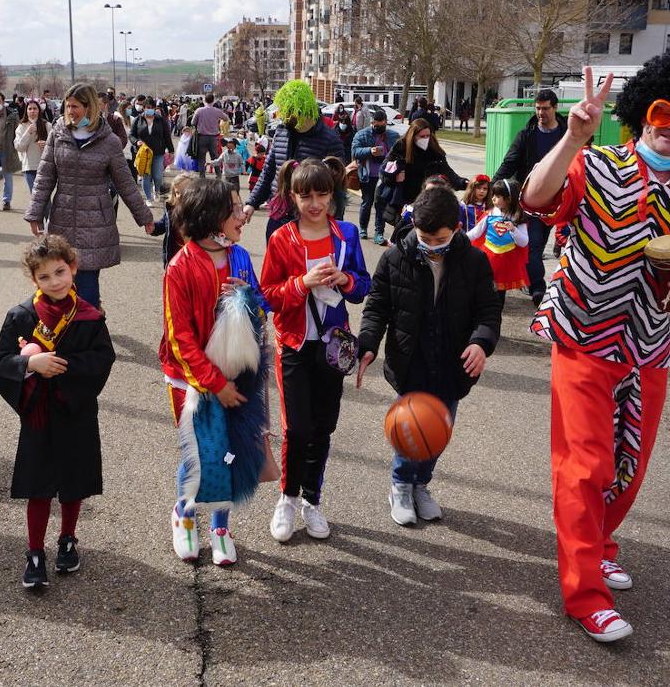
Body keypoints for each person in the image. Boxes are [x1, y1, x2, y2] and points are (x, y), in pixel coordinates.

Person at [521, 55, 670, 643]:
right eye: (665, 111)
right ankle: (584, 593)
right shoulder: (596, 164)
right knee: (583, 466)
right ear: (645, 109)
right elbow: (536, 199)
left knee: (629, 467)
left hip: (648, 345)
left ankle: (601, 543)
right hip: (585, 335)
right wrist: (571, 137)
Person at [357, 186, 502, 526]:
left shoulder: (474, 261)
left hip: (453, 366)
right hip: (411, 363)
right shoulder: (396, 258)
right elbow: (377, 308)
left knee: (438, 431)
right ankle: (400, 485)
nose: (432, 245)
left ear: (457, 228)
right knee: (411, 431)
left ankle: (421, 484)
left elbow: (488, 311)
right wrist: (367, 344)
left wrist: (481, 343)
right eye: (425, 238)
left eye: (440, 239)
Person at [0, 234, 115, 589]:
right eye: (44, 277)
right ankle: (34, 551)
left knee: (73, 483)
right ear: (34, 281)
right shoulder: (21, 316)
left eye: (60, 272)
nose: (55, 282)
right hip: (38, 416)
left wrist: (59, 368)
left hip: (74, 412)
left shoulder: (90, 317)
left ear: (73, 268)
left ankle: (67, 539)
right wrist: (30, 364)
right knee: (38, 486)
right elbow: (1, 361)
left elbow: (102, 359)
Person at [259, 159, 369, 543]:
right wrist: (301, 283)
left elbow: (363, 286)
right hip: (293, 345)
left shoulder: (347, 235)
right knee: (297, 428)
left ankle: (312, 500)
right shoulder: (282, 238)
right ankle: (287, 499)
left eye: (322, 194)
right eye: (306, 196)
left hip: (333, 347)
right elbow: (267, 296)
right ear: (293, 196)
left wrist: (347, 279)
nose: (315, 203)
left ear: (333, 195)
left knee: (324, 426)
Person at [161, 179, 269, 566]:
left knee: (228, 451)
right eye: (234, 210)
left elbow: (261, 305)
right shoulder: (180, 268)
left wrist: (250, 297)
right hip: (191, 380)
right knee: (200, 455)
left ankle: (220, 526)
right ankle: (185, 515)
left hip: (236, 375)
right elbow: (180, 339)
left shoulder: (239, 256)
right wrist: (215, 384)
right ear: (211, 220)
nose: (243, 216)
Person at [23, 83, 154, 308]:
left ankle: (90, 329)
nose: (70, 111)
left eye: (75, 106)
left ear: (89, 106)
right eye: (67, 106)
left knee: (88, 286)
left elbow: (126, 183)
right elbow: (44, 177)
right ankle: (68, 331)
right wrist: (35, 213)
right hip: (62, 219)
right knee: (62, 281)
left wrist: (145, 217)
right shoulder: (58, 133)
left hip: (95, 223)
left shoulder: (109, 141)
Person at [244, 80, 345, 236]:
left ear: (305, 109)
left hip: (309, 218)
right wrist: (252, 202)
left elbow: (337, 188)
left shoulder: (330, 139)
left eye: (292, 112)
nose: (287, 118)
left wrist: (336, 222)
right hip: (278, 214)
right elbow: (268, 171)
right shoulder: (281, 131)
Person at [495, 89, 568, 305]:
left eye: (545, 108)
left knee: (546, 242)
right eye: (537, 108)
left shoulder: (567, 135)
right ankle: (538, 288)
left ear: (555, 108)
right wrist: (492, 186)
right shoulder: (526, 135)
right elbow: (510, 163)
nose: (541, 113)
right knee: (534, 244)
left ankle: (533, 277)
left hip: (564, 200)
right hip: (533, 202)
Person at [379, 119, 467, 245]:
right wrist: (395, 174)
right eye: (422, 136)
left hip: (426, 200)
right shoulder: (401, 147)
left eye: (428, 136)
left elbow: (447, 172)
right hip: (405, 200)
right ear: (413, 135)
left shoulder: (434, 150)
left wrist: (463, 183)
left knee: (425, 235)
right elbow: (384, 169)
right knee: (405, 236)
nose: (425, 139)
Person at [466, 178, 529, 302]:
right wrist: (459, 238)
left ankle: (496, 312)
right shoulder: (490, 214)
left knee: (499, 294)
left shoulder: (518, 217)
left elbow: (524, 242)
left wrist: (513, 230)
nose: (493, 198)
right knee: (485, 286)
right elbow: (476, 233)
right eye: (493, 195)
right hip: (488, 256)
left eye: (497, 196)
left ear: (509, 198)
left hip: (506, 260)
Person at [351, 109, 400, 243]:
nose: (378, 128)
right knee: (367, 202)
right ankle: (363, 228)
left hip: (384, 177)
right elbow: (354, 151)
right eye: (376, 125)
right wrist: (369, 151)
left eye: (382, 125)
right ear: (372, 123)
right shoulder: (363, 134)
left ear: (386, 123)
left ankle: (379, 232)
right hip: (367, 175)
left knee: (381, 204)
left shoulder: (392, 136)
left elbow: (400, 153)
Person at [130, 100, 174, 207]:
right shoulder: (138, 119)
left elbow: (167, 135)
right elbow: (132, 135)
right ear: (144, 108)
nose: (149, 109)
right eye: (146, 107)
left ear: (154, 108)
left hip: (158, 152)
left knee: (158, 176)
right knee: (146, 176)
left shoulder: (160, 120)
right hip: (144, 153)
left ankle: (157, 191)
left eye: (151, 107)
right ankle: (148, 198)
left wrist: (171, 150)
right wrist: (136, 142)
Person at [151, 172, 197, 268]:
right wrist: (153, 227)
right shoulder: (171, 211)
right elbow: (163, 224)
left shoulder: (200, 213)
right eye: (177, 193)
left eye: (185, 192)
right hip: (175, 258)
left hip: (194, 260)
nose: (180, 196)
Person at [14, 99, 50, 195]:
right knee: (35, 196)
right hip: (29, 167)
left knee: (44, 196)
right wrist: (28, 133)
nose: (32, 111)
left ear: (39, 110)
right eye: (30, 109)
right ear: (26, 111)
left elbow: (56, 145)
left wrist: (46, 144)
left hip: (44, 166)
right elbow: (19, 147)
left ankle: (48, 211)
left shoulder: (47, 125)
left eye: (35, 108)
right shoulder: (21, 127)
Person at [192, 94, 229, 171]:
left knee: (201, 158)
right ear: (213, 100)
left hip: (202, 137)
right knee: (215, 157)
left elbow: (193, 122)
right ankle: (218, 175)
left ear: (204, 100)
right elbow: (226, 118)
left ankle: (202, 176)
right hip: (213, 138)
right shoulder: (217, 111)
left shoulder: (199, 110)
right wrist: (217, 120)